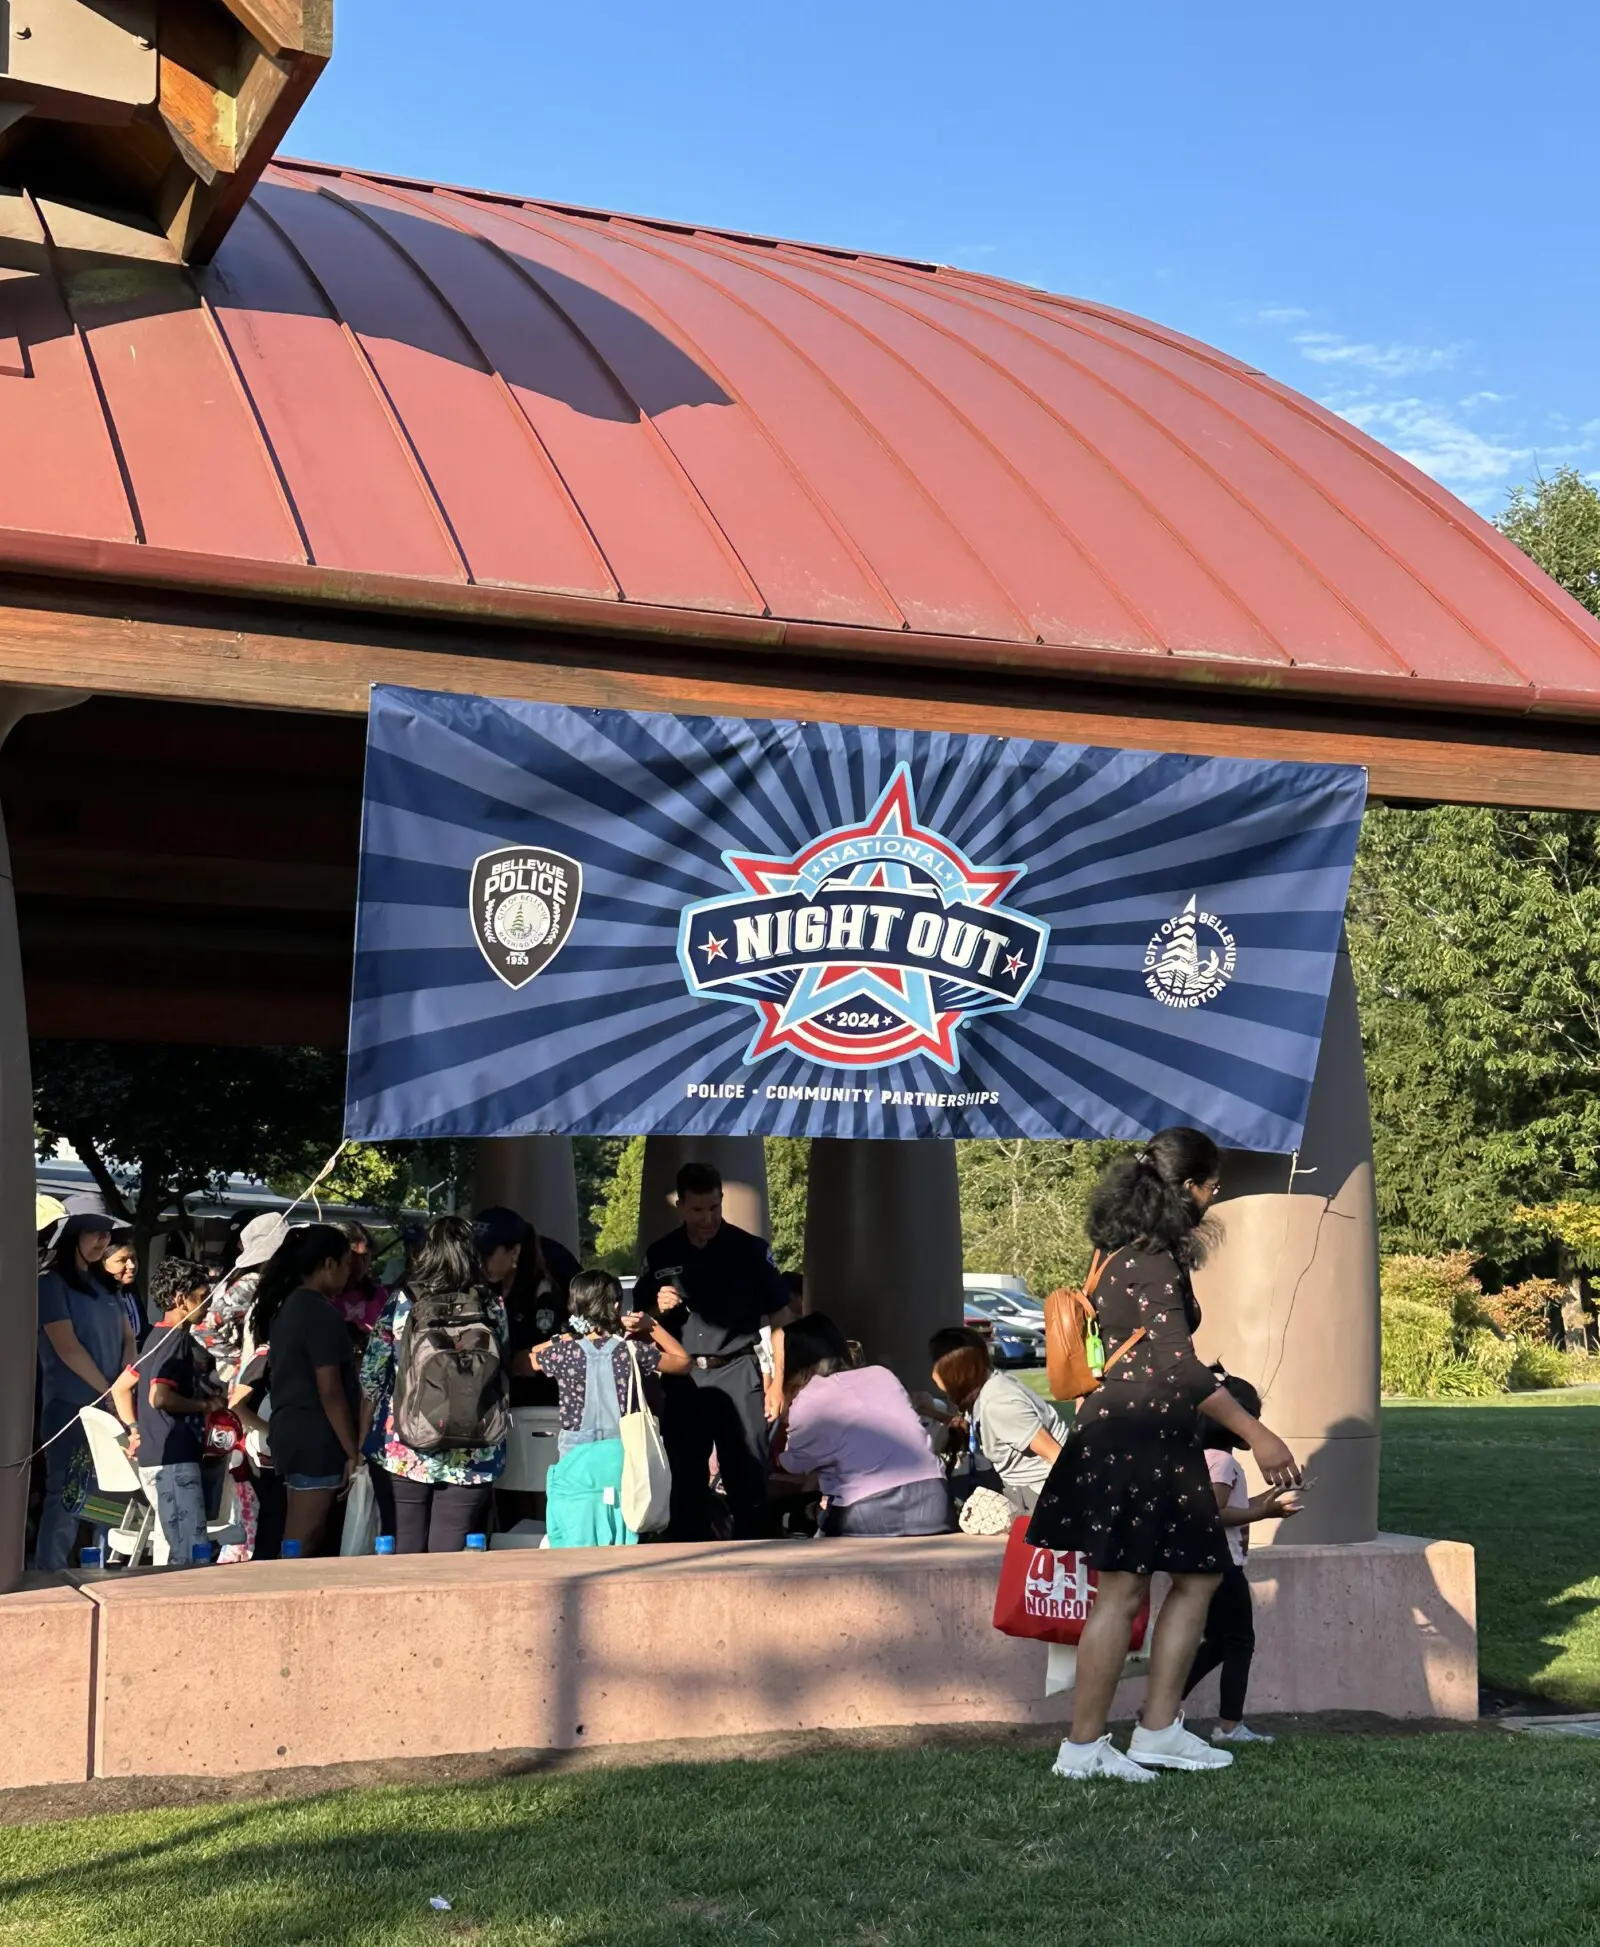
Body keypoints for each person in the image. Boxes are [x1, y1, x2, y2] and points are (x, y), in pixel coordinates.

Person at [1027, 1129, 1303, 1783]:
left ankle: (1157, 1731)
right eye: (1211, 1184)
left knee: (1197, 1575)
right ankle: (1084, 1747)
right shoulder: (1151, 1257)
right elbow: (1178, 1367)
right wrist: (1257, 1434)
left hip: (1139, 1435)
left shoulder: (1115, 1248)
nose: (1215, 1196)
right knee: (1121, 1590)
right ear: (1186, 1188)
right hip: (1136, 1438)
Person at [634, 1162, 789, 1539]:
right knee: (685, 1480)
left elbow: (781, 1317)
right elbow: (640, 1320)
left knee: (747, 1477)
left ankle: (756, 1560)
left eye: (714, 1208)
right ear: (681, 1207)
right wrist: (658, 1308)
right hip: (686, 1379)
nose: (708, 1218)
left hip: (738, 1370)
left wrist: (777, 1384)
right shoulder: (660, 1253)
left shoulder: (750, 1250)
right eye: (698, 1210)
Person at [360, 1215, 511, 1553]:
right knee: (452, 1550)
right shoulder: (491, 1305)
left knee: (404, 1546)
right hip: (475, 1446)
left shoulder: (402, 1302)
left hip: (403, 1444)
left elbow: (372, 1376)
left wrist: (360, 1444)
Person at [1183, 1369, 1300, 1745]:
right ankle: (1229, 1725)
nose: (1255, 1426)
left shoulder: (1202, 1456)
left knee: (1218, 1642)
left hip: (1206, 1563)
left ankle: (1162, 1706)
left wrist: (1265, 1504)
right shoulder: (1222, 1462)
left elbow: (1225, 1507)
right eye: (1251, 1417)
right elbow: (1212, 1516)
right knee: (1239, 1643)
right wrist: (1263, 1513)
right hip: (1222, 1565)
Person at [530, 1269, 689, 1546]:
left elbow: (529, 1358)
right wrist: (651, 1325)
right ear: (616, 1306)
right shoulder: (631, 1351)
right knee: (623, 1538)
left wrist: (565, 1337)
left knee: (574, 1543)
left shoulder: (562, 1353)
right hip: (623, 1461)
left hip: (575, 1465)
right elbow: (683, 1361)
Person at [776, 1315, 954, 1537]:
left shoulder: (808, 1398)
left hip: (868, 1513)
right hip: (935, 1502)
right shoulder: (882, 1375)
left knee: (796, 1517)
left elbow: (796, 1463)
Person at [34, 1195, 135, 1571]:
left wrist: (124, 1378)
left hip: (111, 1408)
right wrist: (110, 1393)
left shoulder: (106, 1287)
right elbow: (67, 1348)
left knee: (109, 1494)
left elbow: (128, 1338)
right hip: (71, 1410)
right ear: (71, 1234)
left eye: (107, 1233)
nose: (103, 1241)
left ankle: (101, 1569)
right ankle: (49, 1574)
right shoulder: (49, 1284)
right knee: (67, 1495)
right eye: (93, 1232)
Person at [248, 1224, 359, 1558]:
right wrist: (352, 1450)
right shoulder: (318, 1312)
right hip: (317, 1437)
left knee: (302, 1533)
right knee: (303, 1536)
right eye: (345, 1265)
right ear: (328, 1264)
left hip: (293, 1431)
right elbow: (330, 1389)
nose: (348, 1275)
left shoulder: (291, 1306)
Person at [110, 1258, 223, 1566]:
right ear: (179, 1299)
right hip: (173, 1460)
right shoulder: (176, 1339)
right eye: (201, 1298)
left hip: (156, 1458)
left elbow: (121, 1388)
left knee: (169, 1543)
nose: (207, 1306)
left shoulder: (154, 1337)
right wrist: (203, 1405)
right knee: (187, 1553)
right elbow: (159, 1396)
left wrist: (134, 1429)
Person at [928, 1325, 1067, 1513]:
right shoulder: (985, 1387)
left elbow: (1054, 1454)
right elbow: (984, 1428)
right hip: (1021, 1490)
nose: (931, 1374)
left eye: (934, 1363)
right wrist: (933, 1413)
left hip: (1038, 1496)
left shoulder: (999, 1402)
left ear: (954, 1370)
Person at [195, 1211, 289, 1383]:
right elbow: (202, 1328)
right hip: (249, 1381)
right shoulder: (249, 1285)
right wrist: (240, 1361)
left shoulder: (278, 1285)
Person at [335, 1220, 388, 1343]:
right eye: (354, 1256)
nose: (361, 1263)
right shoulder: (321, 1298)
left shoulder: (379, 1296)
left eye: (365, 1257)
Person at [102, 1235, 145, 1340]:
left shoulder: (130, 1289)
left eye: (133, 1258)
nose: (132, 1265)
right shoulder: (96, 1299)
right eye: (122, 1260)